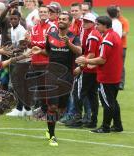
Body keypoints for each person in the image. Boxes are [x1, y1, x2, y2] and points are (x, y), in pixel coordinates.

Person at [32, 12, 82, 146]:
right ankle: (52, 135)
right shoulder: (51, 36)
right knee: (53, 106)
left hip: (67, 76)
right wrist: (40, 51)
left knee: (61, 109)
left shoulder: (74, 37)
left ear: (70, 22)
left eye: (64, 19)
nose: (60, 21)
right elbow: (49, 52)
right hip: (52, 74)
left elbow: (79, 51)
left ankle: (50, 127)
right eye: (59, 19)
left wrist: (68, 43)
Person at [76, 16, 123, 133]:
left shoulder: (107, 39)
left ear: (104, 25)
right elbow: (109, 58)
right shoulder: (115, 35)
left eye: (97, 25)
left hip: (107, 76)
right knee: (113, 101)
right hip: (115, 74)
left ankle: (105, 127)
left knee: (107, 102)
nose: (96, 27)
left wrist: (86, 61)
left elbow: (102, 59)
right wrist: (93, 63)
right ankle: (117, 125)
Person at [71, 13, 102, 128]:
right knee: (92, 95)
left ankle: (78, 119)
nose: (84, 23)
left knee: (78, 93)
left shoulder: (93, 35)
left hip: (88, 70)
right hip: (94, 69)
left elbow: (91, 54)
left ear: (93, 23)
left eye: (87, 22)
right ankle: (92, 120)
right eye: (84, 21)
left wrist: (81, 67)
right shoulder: (93, 33)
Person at [117, 6, 129, 90]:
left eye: (118, 11)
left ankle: (121, 83)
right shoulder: (111, 20)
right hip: (112, 46)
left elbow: (125, 33)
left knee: (121, 64)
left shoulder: (124, 21)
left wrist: (113, 35)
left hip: (122, 46)